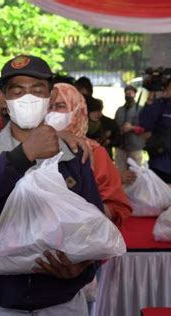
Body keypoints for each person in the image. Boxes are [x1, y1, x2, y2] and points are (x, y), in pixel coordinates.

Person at [0, 55, 103, 316]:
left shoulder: (73, 154)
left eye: (36, 89)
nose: (27, 98)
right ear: (3, 99)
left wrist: (82, 268)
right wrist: (22, 155)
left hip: (62, 303)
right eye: (17, 91)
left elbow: (96, 227)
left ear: (50, 95)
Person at [48, 83, 131, 227]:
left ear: (76, 111)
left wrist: (78, 211)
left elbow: (117, 207)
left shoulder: (94, 152)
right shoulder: (32, 148)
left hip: (83, 236)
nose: (52, 113)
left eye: (61, 106)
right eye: (48, 107)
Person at [114, 85, 145, 171]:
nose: (128, 95)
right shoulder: (119, 110)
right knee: (120, 173)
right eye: (127, 93)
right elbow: (115, 126)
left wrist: (132, 128)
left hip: (135, 147)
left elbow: (144, 129)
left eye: (130, 93)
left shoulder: (142, 110)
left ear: (135, 94)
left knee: (135, 174)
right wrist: (120, 129)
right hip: (121, 147)